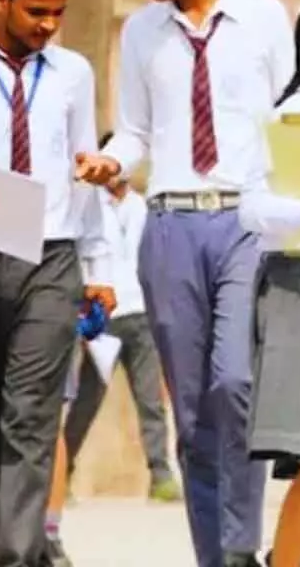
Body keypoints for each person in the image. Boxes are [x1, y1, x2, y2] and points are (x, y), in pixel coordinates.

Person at [75, 0, 294, 567]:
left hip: (246, 225)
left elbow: (294, 121)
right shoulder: (142, 31)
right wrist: (107, 162)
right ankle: (218, 556)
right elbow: (135, 132)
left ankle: (240, 543)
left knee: (236, 385)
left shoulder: (263, 17)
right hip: (169, 229)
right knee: (195, 412)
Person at [0, 0, 116, 567]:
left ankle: (16, 556)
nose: (48, 26)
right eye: (36, 12)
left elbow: (84, 169)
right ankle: (30, 549)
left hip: (52, 258)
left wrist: (99, 266)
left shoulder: (73, 73)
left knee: (30, 416)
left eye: (58, 14)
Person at [63, 132, 181, 505]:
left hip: (141, 312)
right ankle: (61, 472)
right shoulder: (89, 205)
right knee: (87, 399)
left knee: (150, 399)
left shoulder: (143, 208)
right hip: (103, 313)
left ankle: (160, 475)